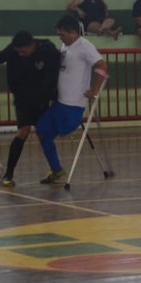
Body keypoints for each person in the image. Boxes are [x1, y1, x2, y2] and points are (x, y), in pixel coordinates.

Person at [0, 31, 60, 188]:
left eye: (23, 51)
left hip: (41, 96)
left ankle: (56, 170)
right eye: (18, 51)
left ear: (32, 45)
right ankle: (9, 175)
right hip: (22, 97)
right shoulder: (12, 50)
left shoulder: (46, 49)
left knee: (43, 132)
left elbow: (58, 66)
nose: (20, 54)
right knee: (23, 131)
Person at [35, 15, 108, 185]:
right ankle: (57, 170)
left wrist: (95, 89)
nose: (60, 37)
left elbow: (102, 67)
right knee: (42, 130)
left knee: (60, 130)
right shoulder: (66, 45)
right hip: (59, 102)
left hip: (73, 104)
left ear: (73, 33)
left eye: (62, 34)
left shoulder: (85, 47)